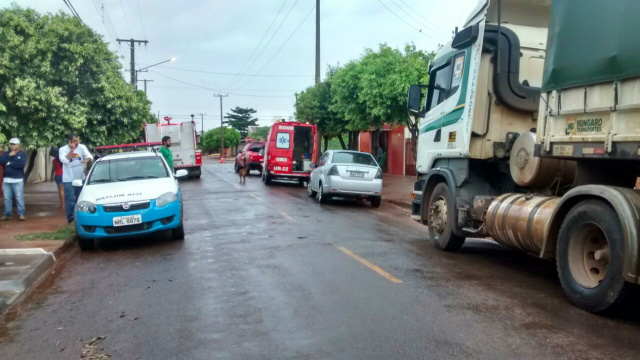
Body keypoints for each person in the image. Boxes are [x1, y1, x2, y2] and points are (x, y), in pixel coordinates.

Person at [59, 134, 93, 223]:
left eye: (78, 141)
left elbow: (90, 156)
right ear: (69, 141)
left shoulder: (82, 147)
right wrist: (72, 150)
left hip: (80, 178)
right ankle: (70, 219)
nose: (77, 143)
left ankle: (80, 219)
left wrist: (86, 160)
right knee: (70, 201)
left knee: (80, 200)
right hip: (69, 180)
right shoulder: (62, 150)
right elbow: (66, 161)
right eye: (75, 141)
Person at [0, 138, 27, 221]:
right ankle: (7, 214)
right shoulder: (6, 154)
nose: (12, 146)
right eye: (11, 144)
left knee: (19, 197)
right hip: (7, 180)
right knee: (7, 198)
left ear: (18, 145)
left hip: (17, 179)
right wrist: (9, 156)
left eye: (14, 144)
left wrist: (8, 163)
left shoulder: (22, 154)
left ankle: (21, 213)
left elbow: (21, 165)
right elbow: (1, 162)